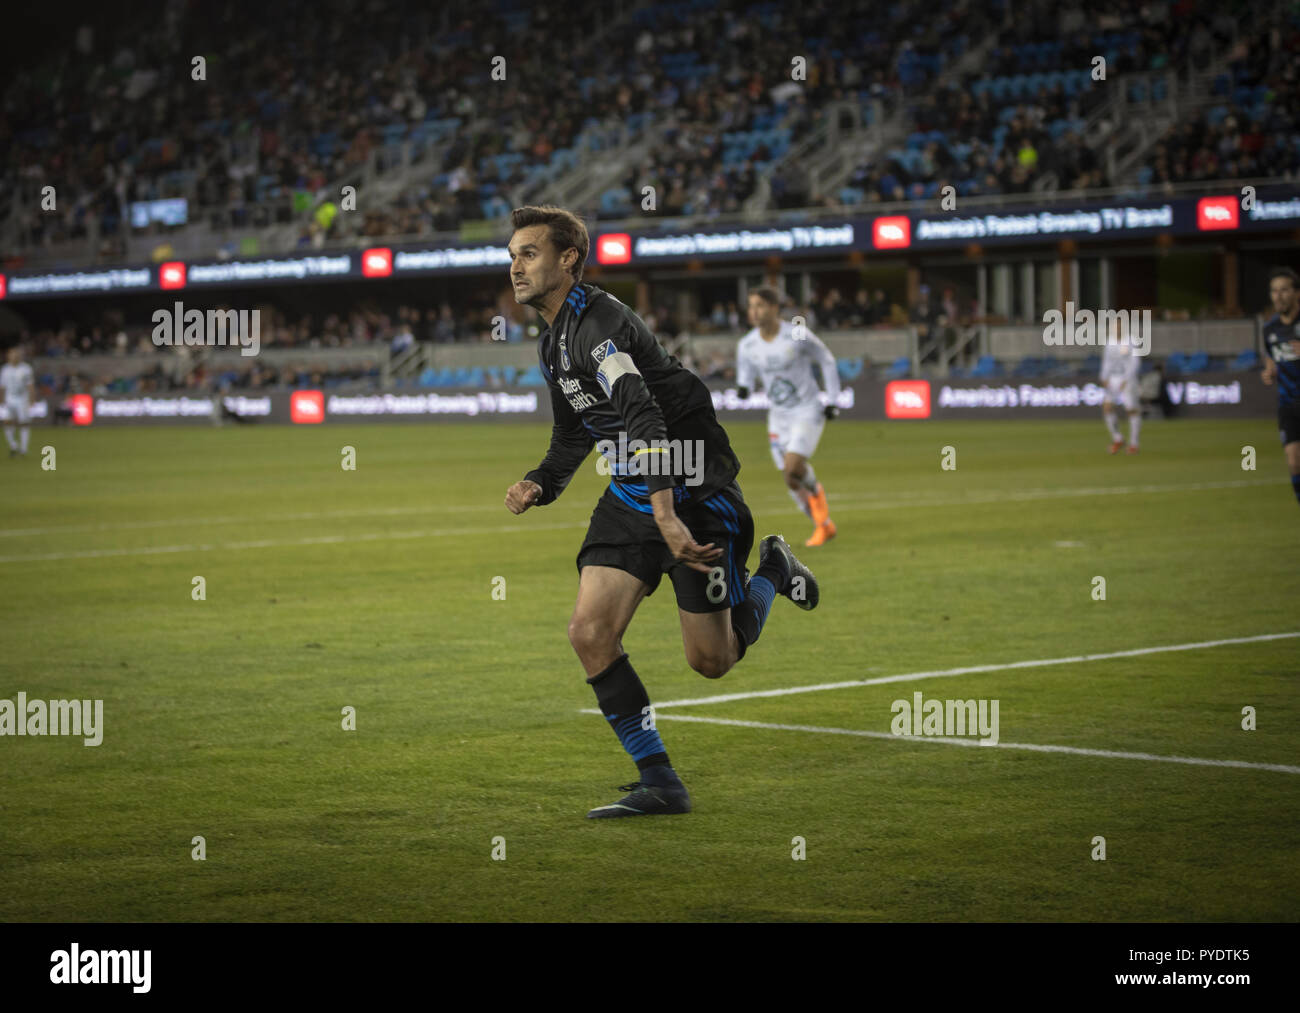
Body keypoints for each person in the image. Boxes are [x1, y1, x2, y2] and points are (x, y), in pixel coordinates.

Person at [502, 206, 820, 819]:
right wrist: (540, 482)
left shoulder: (601, 324)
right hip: (631, 495)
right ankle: (662, 783)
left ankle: (774, 572)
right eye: (513, 255)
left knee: (711, 661)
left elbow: (643, 414)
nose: (516, 267)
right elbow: (574, 434)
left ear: (568, 259)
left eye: (529, 253)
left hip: (695, 498)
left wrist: (670, 514)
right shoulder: (552, 343)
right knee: (589, 633)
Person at [736, 287, 840, 546]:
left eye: (759, 305)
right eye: (751, 306)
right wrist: (744, 387)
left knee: (794, 466)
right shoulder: (747, 344)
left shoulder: (795, 333)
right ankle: (823, 525)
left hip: (807, 409)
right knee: (790, 478)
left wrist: (833, 399)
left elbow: (825, 358)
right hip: (778, 416)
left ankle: (821, 516)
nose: (754, 311)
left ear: (774, 308)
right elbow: (745, 374)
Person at [1259, 266, 1300, 508]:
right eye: (1274, 291)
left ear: (1296, 293)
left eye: (1284, 290)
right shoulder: (1270, 328)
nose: (1279, 296)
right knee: (1294, 461)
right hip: (1288, 404)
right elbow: (1271, 357)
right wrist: (1268, 371)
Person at [1100, 318, 1141, 454]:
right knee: (1107, 408)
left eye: (1119, 326)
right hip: (1113, 378)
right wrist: (1104, 377)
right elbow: (1107, 362)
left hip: (1127, 378)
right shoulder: (1109, 342)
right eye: (1115, 327)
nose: (1117, 329)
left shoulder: (1131, 341)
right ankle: (1118, 438)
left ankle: (1134, 443)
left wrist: (1127, 379)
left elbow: (1135, 362)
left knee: (1131, 409)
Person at [1, 347, 35, 457]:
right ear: (8, 356)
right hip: (8, 398)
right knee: (7, 422)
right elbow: (2, 386)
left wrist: (31, 399)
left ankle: (23, 449)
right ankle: (13, 445)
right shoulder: (5, 369)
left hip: (22, 399)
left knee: (24, 423)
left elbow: (30, 385)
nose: (14, 357)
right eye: (12, 354)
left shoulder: (26, 369)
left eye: (16, 355)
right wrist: (1, 400)